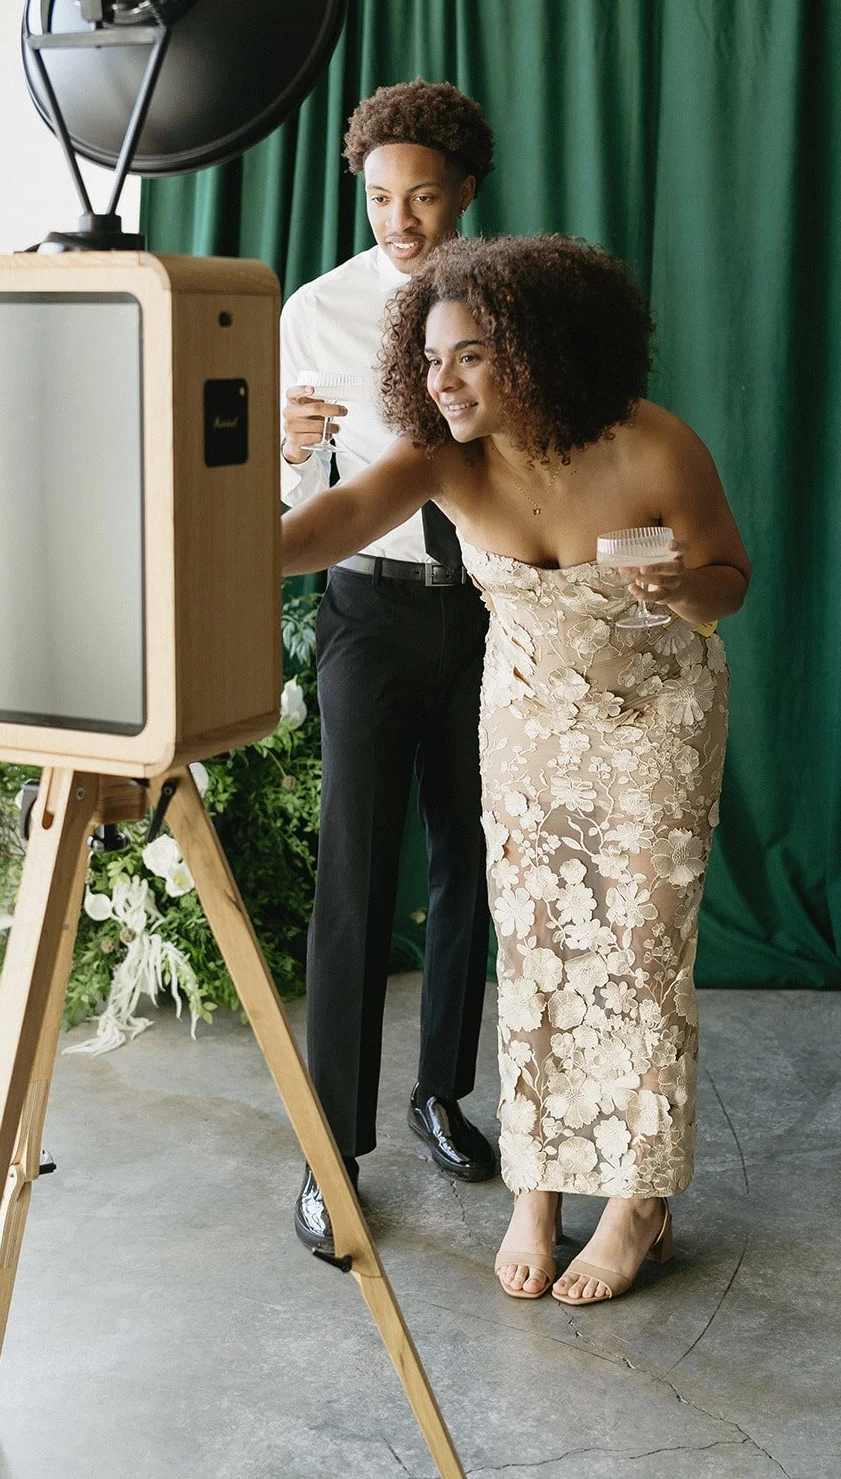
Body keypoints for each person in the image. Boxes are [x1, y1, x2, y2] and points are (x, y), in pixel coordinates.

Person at [282, 233, 750, 1303]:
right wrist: (219, 542)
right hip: (528, 723)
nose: (441, 381)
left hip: (653, 718)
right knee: (535, 949)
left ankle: (637, 1199)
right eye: (431, 358)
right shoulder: (443, 454)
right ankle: (536, 1188)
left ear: (537, 350)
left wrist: (681, 588)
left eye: (471, 356)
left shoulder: (651, 445)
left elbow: (730, 577)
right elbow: (337, 520)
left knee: (637, 951)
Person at [280, 81, 499, 1254]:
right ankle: (331, 1152)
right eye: (378, 198)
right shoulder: (314, 312)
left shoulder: (512, 303)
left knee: (472, 855)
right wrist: (288, 449)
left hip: (489, 610)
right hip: (364, 608)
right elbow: (283, 503)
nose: (399, 220)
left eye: (419, 195)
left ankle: (439, 1095)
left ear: (464, 188)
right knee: (356, 875)